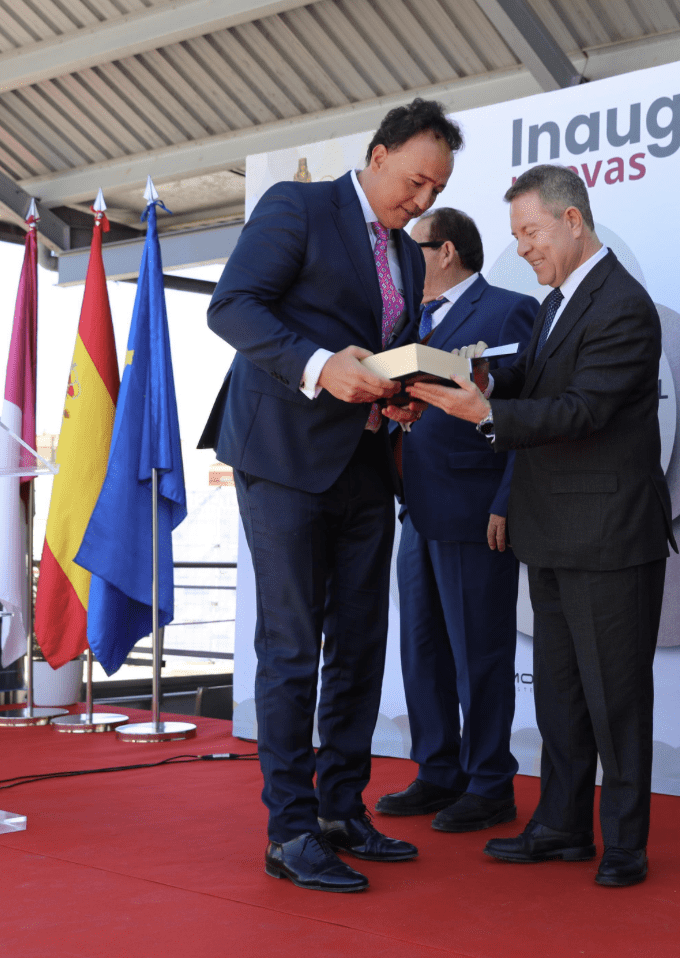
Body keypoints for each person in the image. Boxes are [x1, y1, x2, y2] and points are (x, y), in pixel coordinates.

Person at [201, 99, 462, 893]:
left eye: (437, 189)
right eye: (415, 180)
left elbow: (379, 352)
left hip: (365, 463)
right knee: (290, 647)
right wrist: (320, 367)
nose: (422, 199)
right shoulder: (299, 206)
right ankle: (290, 831)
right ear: (378, 156)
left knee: (360, 643)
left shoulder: (408, 255)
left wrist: (398, 393)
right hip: (282, 457)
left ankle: (342, 811)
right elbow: (232, 307)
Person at [407, 164, 675, 888]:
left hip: (610, 535)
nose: (522, 248)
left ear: (572, 221)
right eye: (517, 235)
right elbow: (534, 376)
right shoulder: (558, 301)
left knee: (615, 698)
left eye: (530, 232)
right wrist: (484, 380)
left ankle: (625, 844)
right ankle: (560, 826)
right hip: (553, 528)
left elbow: (584, 409)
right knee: (559, 693)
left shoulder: (623, 304)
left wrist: (486, 413)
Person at [375, 208, 537, 832]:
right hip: (415, 507)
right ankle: (437, 772)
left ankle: (490, 783)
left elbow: (523, 409)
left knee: (480, 653)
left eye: (412, 246)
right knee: (422, 650)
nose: (401, 258)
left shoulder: (509, 310)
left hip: (475, 508)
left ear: (445, 252)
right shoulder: (406, 322)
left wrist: (508, 498)